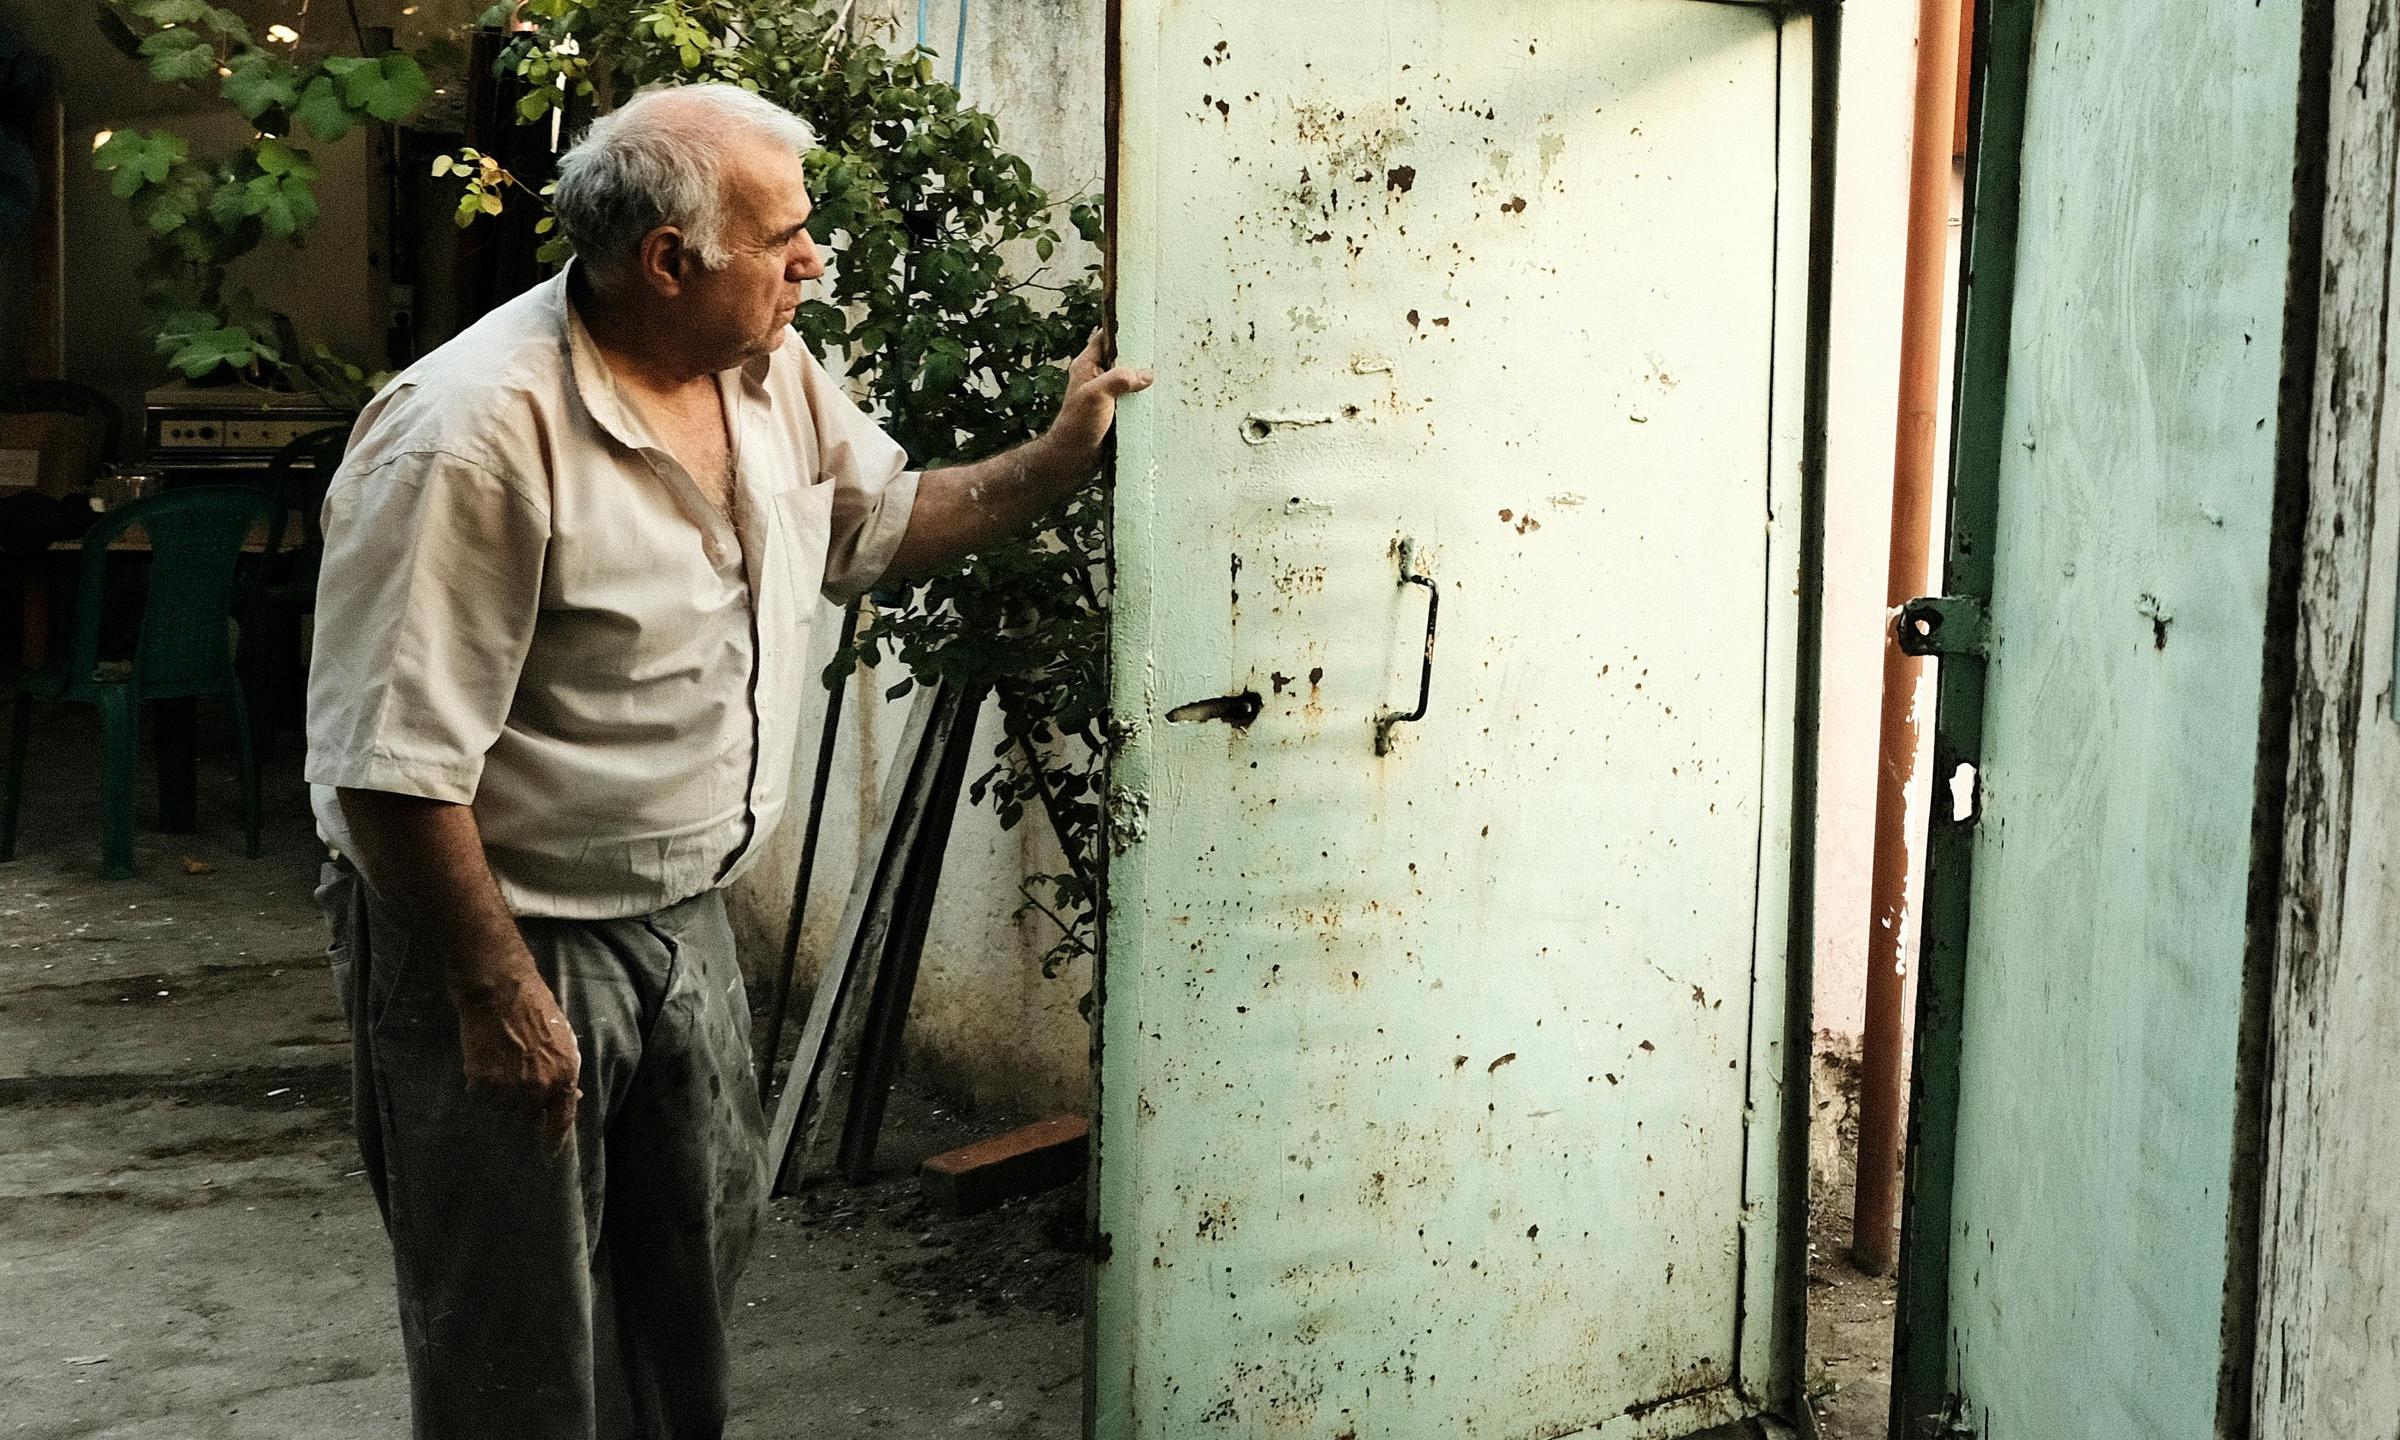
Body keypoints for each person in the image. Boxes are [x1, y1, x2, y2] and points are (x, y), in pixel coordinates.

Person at [304, 83, 1149, 1440]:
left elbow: (877, 529)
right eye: (788, 238)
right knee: (515, 1352)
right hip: (503, 933)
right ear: (668, 261)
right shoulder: (471, 435)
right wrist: (495, 993)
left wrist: (1055, 459)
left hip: (682, 921)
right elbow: (391, 767)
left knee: (682, 1309)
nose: (815, 260)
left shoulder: (762, 373)